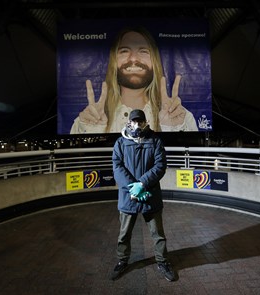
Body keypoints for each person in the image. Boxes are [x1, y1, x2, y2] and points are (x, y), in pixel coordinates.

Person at [70, 26, 198, 134]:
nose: (133, 59)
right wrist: (93, 131)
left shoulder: (182, 118)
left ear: (155, 62)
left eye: (143, 51)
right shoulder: (87, 120)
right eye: (124, 51)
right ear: (113, 62)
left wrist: (172, 129)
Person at [111, 109, 176, 282]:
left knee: (158, 234)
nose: (137, 124)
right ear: (129, 123)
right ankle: (122, 261)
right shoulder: (120, 143)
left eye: (140, 121)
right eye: (134, 121)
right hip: (128, 197)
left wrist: (142, 184)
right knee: (124, 234)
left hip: (150, 195)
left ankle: (162, 262)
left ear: (145, 122)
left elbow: (160, 165)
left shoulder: (155, 141)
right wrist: (132, 188)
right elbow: (117, 167)